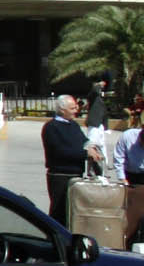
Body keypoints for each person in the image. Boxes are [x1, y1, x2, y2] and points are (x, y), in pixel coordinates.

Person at [41, 93, 100, 225]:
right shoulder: (51, 127)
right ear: (62, 110)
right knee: (59, 211)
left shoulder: (73, 125)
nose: (76, 110)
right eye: (72, 108)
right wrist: (85, 153)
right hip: (60, 176)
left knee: (73, 212)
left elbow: (83, 141)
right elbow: (60, 152)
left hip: (76, 175)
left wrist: (92, 148)